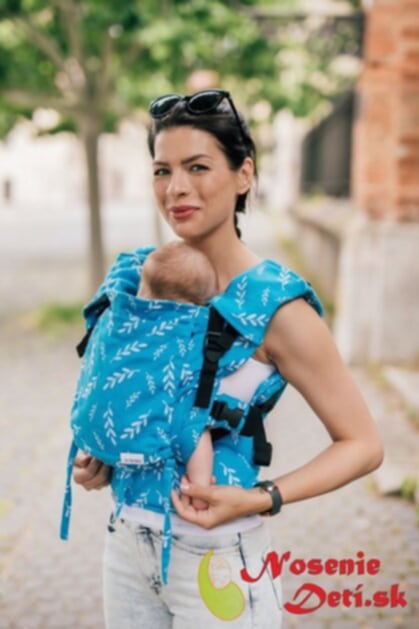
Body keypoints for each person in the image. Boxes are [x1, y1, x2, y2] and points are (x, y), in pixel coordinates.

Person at [73, 89, 383, 628]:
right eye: (162, 170)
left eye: (197, 167)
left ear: (244, 174)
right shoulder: (138, 279)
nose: (176, 188)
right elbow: (127, 396)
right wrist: (105, 454)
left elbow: (363, 445)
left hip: (217, 563)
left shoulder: (275, 305)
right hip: (125, 547)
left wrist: (261, 498)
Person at [138, 240, 217, 510]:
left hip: (139, 404)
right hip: (178, 403)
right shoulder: (193, 325)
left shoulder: (134, 322)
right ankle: (200, 492)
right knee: (197, 432)